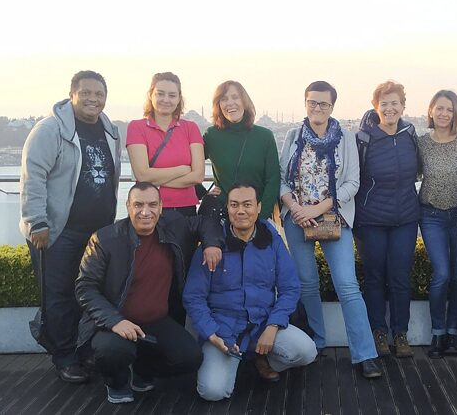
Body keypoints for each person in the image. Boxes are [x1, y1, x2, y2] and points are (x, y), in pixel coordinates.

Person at [75, 181, 225, 404]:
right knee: (113, 351)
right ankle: (116, 382)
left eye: (152, 204)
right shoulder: (105, 239)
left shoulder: (173, 226)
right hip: (114, 321)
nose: (146, 212)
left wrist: (212, 244)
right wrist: (115, 321)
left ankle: (143, 369)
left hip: (156, 321)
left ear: (161, 206)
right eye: (138, 205)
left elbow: (205, 221)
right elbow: (85, 287)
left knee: (190, 357)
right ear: (128, 206)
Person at [20, 70, 121, 383]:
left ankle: (83, 349)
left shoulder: (110, 130)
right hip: (58, 231)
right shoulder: (49, 130)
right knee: (60, 296)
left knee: (89, 293)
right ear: (72, 94)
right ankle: (64, 356)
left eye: (99, 94)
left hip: (98, 233)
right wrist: (38, 222)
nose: (93, 99)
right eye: (86, 93)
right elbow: (32, 177)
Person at [279, 81, 383, 378]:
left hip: (333, 218)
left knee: (347, 285)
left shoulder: (345, 138)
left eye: (323, 104)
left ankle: (364, 354)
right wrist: (297, 209)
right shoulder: (293, 136)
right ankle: (316, 342)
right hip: (296, 218)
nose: (317, 108)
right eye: (312, 102)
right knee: (306, 283)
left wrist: (317, 208)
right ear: (305, 103)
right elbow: (282, 181)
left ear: (332, 106)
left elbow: (352, 182)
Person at [185, 182, 319, 401]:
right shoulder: (212, 246)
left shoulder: (272, 241)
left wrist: (273, 325)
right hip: (224, 331)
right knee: (212, 392)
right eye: (234, 205)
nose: (240, 211)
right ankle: (235, 363)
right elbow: (193, 297)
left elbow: (289, 288)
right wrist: (211, 333)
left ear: (258, 207)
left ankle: (260, 358)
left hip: (262, 326)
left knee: (306, 351)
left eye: (247, 204)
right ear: (227, 208)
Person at [354, 81, 421, 358]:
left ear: (403, 106)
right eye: (384, 104)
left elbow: (419, 170)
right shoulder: (364, 138)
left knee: (400, 275)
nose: (390, 108)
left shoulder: (409, 134)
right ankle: (379, 332)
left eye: (395, 103)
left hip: (405, 217)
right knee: (374, 276)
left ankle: (400, 332)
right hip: (371, 219)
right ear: (375, 107)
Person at [418, 90, 457, 358]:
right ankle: (437, 333)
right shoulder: (421, 143)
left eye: (449, 109)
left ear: (456, 114)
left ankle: (453, 334)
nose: (443, 114)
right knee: (441, 274)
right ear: (431, 111)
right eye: (439, 108)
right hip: (431, 215)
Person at [126, 72, 205, 216]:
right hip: (148, 209)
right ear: (151, 95)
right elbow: (142, 175)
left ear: (179, 99)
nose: (166, 100)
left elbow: (198, 176)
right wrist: (183, 170)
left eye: (172, 95)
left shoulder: (191, 128)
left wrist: (154, 180)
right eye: (160, 94)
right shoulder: (136, 127)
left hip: (185, 210)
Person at [203, 81, 280, 219]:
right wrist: (201, 192)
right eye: (224, 99)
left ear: (244, 101)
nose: (230, 103)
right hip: (223, 216)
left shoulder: (264, 136)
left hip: (256, 216)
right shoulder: (212, 135)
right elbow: (187, 163)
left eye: (235, 97)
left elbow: (273, 179)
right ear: (218, 105)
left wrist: (261, 216)